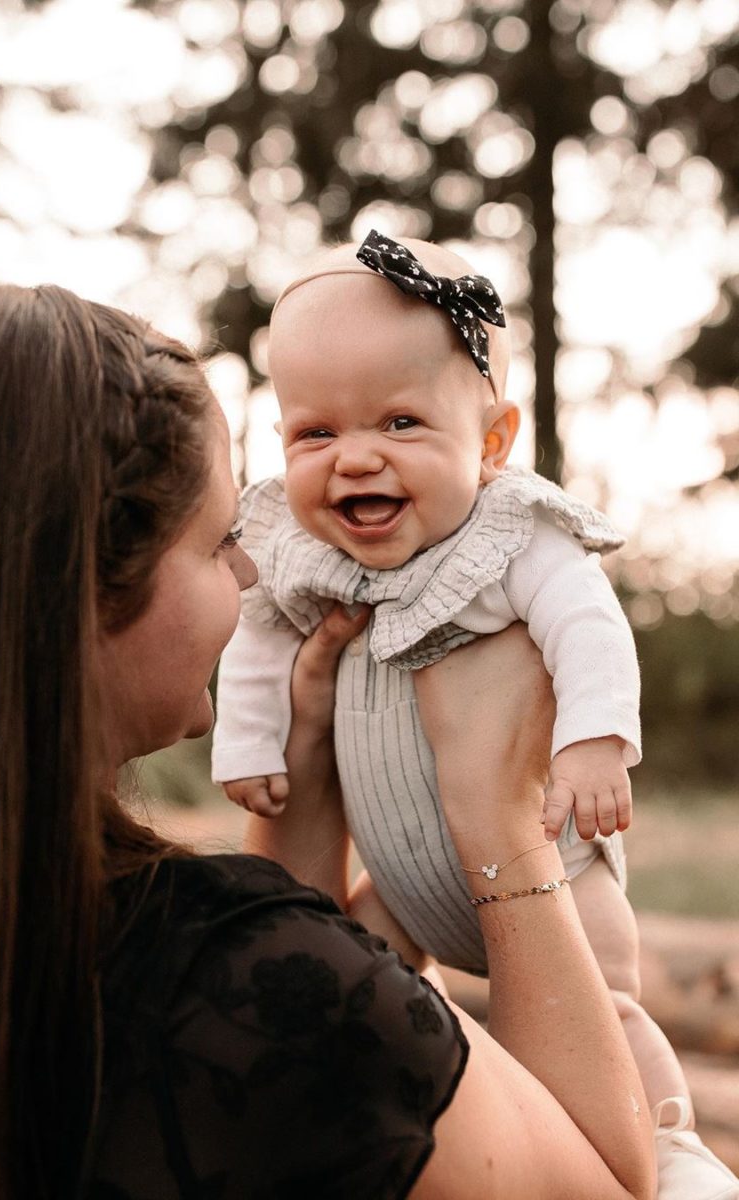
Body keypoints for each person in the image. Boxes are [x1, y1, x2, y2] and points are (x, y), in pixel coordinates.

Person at [0, 279, 660, 1199]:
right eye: (214, 544)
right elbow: (605, 1185)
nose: (248, 569)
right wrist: (500, 823)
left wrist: (304, 780)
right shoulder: (242, 992)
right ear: (76, 595)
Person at [212, 231, 739, 1198]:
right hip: (401, 882)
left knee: (610, 1012)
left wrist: (591, 745)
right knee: (357, 954)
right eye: (315, 434)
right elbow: (256, 649)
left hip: (551, 873)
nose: (355, 459)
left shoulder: (512, 536)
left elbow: (589, 628)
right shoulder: (301, 557)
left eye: (401, 423)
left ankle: (663, 1140)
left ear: (493, 442)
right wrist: (251, 746)